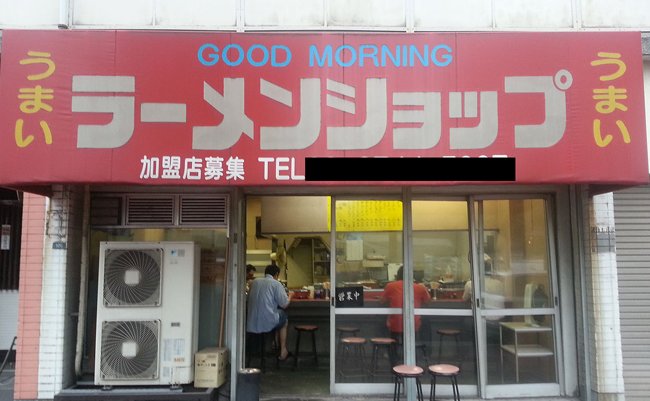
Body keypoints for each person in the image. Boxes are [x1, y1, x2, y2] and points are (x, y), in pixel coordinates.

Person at [246, 264, 293, 360]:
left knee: (278, 314)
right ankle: (283, 350)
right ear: (276, 274)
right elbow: (284, 304)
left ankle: (275, 342)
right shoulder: (276, 284)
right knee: (283, 317)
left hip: (251, 322)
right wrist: (291, 296)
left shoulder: (255, 282)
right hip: (267, 322)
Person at [381, 265, 431, 337]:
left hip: (395, 324)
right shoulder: (420, 287)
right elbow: (428, 301)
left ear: (397, 275)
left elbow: (382, 301)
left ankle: (394, 344)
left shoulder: (390, 286)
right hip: (413, 324)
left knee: (393, 338)